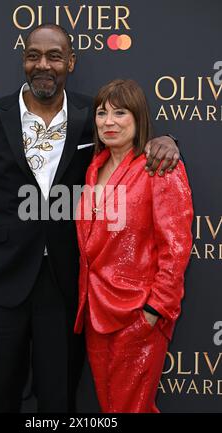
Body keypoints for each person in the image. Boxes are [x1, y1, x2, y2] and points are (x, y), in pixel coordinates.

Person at [0, 24, 181, 413]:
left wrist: (168, 141)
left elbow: (126, 147)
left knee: (58, 400)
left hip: (66, 287)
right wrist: (8, 240)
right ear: (24, 60)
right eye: (33, 55)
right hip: (0, 281)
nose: (43, 65)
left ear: (71, 62)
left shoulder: (90, 117)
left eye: (54, 56)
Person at [74, 79, 193, 413]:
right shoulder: (93, 168)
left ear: (139, 118)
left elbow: (176, 248)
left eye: (120, 112)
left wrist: (155, 312)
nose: (108, 121)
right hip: (96, 314)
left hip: (138, 314)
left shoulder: (159, 167)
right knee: (111, 408)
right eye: (102, 113)